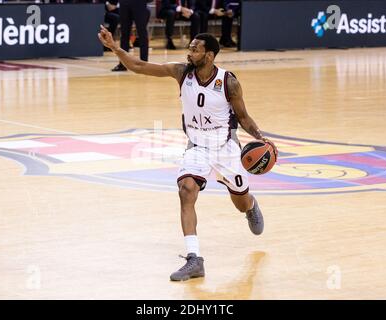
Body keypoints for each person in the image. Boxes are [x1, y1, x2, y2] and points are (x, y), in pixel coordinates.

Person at [98, 26, 277, 281]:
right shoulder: (181, 72)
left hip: (225, 148)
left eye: (195, 49)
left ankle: (250, 205)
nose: (189, 52)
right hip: (197, 147)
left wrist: (261, 138)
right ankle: (195, 259)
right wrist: (115, 47)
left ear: (210, 56)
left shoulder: (229, 82)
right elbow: (139, 66)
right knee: (186, 190)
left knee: (240, 201)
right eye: (190, 48)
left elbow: (244, 117)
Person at [112, 0, 150, 71]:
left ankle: (144, 63)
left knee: (142, 33)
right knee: (124, 34)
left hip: (139, 3)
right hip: (124, 3)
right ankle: (123, 64)